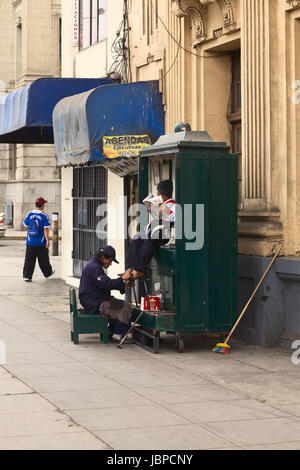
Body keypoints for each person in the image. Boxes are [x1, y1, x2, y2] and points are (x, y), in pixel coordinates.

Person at [79, 245, 134, 343]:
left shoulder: (94, 264)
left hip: (93, 300)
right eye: (110, 261)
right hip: (94, 303)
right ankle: (117, 336)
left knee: (119, 303)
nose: (110, 264)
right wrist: (122, 278)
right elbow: (106, 284)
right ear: (103, 258)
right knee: (124, 306)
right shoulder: (94, 267)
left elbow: (105, 284)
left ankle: (110, 332)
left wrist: (124, 284)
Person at [126, 179, 175, 279]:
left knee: (151, 239)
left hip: (164, 233)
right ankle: (130, 269)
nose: (157, 193)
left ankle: (138, 269)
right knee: (137, 237)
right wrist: (152, 209)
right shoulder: (161, 203)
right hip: (155, 230)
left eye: (158, 192)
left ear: (161, 193)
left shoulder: (174, 206)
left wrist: (164, 209)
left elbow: (173, 220)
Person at [23, 197, 55, 282]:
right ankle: (48, 273)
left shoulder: (29, 214)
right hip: (40, 242)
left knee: (29, 259)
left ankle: (27, 276)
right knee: (43, 259)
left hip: (30, 241)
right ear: (42, 205)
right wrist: (47, 240)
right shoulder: (44, 216)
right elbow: (46, 229)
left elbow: (26, 226)